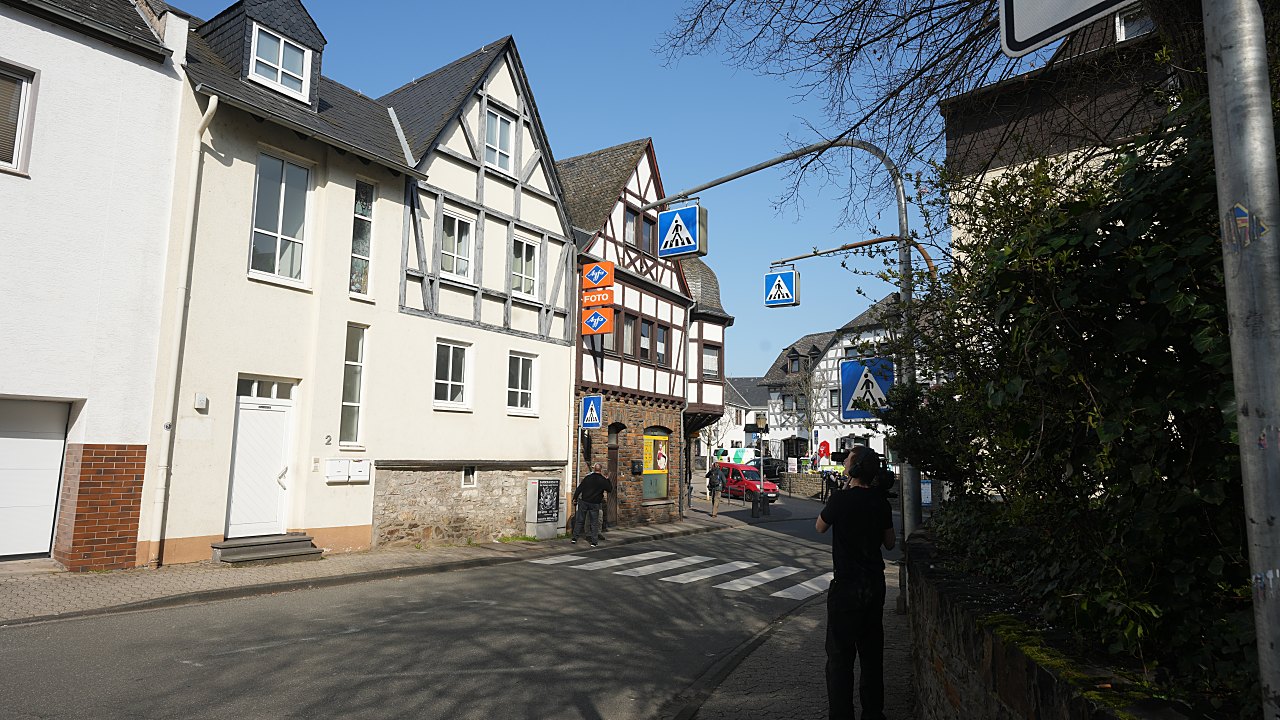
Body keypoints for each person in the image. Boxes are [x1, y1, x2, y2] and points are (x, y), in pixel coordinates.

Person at [815, 445, 896, 720]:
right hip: (874, 585)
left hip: (847, 587)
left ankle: (841, 715)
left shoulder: (840, 499)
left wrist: (845, 489)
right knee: (872, 655)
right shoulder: (881, 502)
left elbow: (820, 526)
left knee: (840, 658)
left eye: (848, 459)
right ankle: (873, 714)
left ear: (856, 468)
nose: (844, 462)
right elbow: (890, 543)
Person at [572, 463, 611, 547]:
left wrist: (574, 498)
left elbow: (579, 488)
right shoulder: (603, 480)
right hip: (595, 503)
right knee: (594, 523)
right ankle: (594, 542)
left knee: (579, 520)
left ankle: (574, 538)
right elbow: (609, 489)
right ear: (600, 470)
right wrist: (607, 479)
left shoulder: (588, 478)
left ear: (594, 469)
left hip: (584, 501)